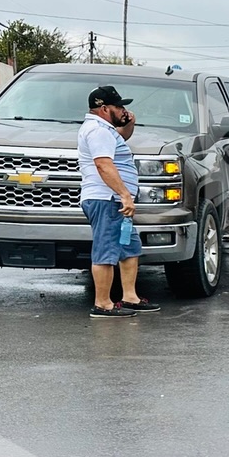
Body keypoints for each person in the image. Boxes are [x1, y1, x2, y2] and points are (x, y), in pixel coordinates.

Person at [77, 85, 161, 318]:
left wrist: (129, 123)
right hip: (107, 199)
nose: (124, 110)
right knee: (106, 250)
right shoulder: (98, 131)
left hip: (114, 200)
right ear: (104, 108)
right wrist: (124, 194)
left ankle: (130, 297)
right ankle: (102, 303)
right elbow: (103, 164)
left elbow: (121, 138)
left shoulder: (106, 130)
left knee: (129, 247)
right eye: (119, 106)